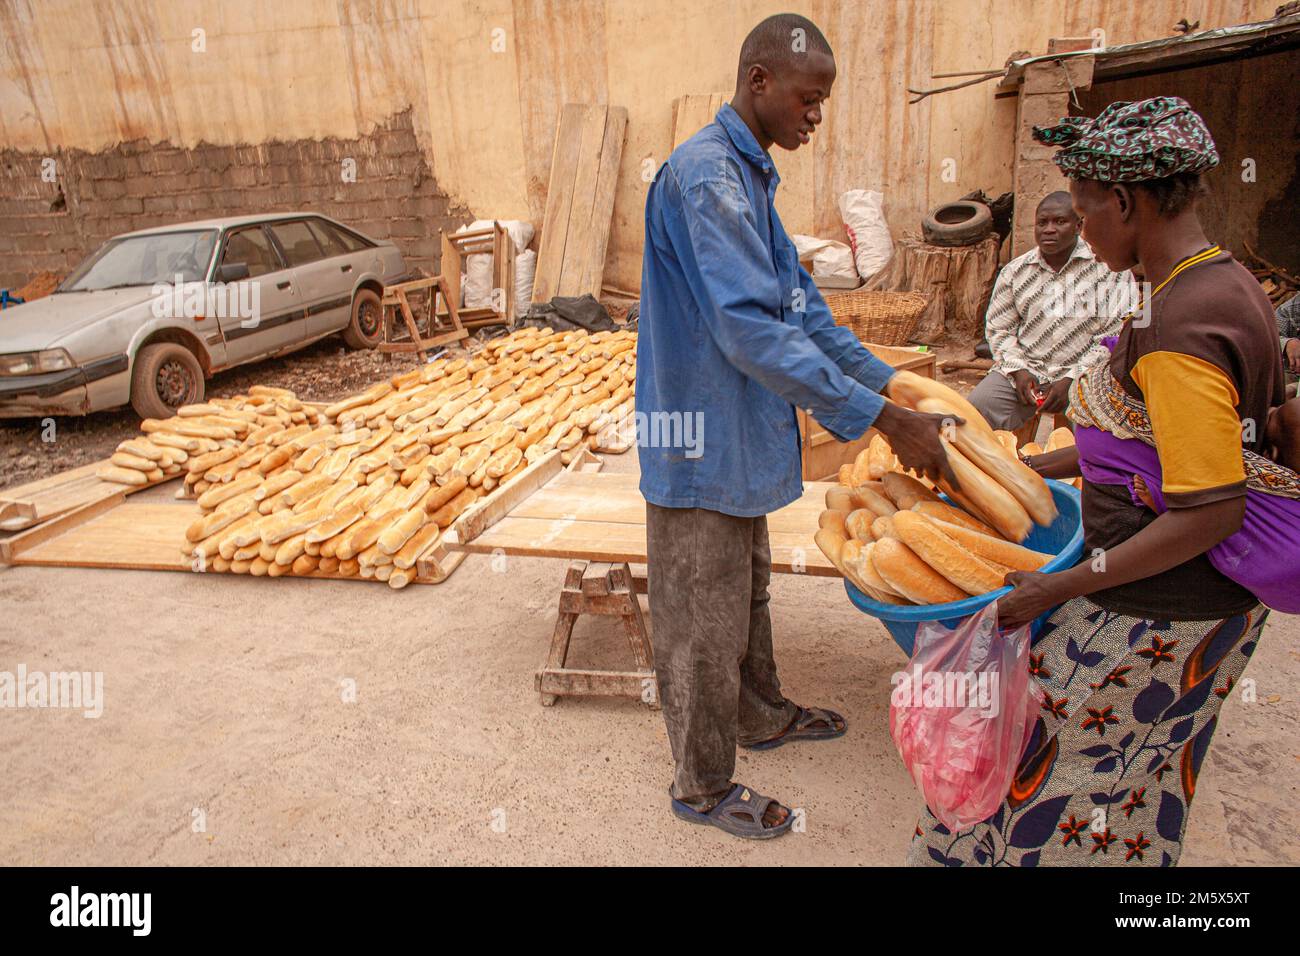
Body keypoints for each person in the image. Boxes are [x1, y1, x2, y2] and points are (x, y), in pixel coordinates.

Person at [911, 96, 1295, 866]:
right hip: (1185, 604)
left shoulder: (1184, 324)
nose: (1080, 227)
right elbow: (1146, 443)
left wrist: (1057, 588)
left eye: (1085, 209)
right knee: (1135, 789)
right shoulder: (1216, 283)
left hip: (1162, 610)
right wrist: (1015, 465)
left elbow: (1208, 510)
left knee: (1045, 786)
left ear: (1125, 201)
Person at [636, 13, 955, 840]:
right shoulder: (707, 178)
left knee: (744, 590)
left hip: (736, 433)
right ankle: (701, 787)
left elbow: (802, 310)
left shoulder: (750, 180)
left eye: (823, 102)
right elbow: (750, 330)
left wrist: (894, 385)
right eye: (810, 99)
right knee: (702, 618)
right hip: (698, 435)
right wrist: (879, 418)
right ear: (759, 83)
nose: (816, 115)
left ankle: (761, 714)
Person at [970, 192, 1138, 430]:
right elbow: (999, 330)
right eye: (1042, 223)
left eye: (1060, 222)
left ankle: (1073, 464)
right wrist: (1018, 370)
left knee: (1097, 428)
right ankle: (998, 464)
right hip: (1026, 371)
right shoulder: (1015, 271)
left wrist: (1073, 377)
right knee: (978, 408)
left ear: (1079, 226)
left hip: (1088, 374)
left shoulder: (1109, 269)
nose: (1049, 229)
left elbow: (1116, 335)